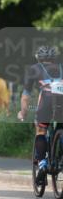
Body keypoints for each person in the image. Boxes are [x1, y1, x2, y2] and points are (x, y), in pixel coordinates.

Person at [18, 45, 63, 184]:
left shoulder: (34, 69)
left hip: (46, 102)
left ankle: (43, 164)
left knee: (41, 130)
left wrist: (23, 113)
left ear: (38, 58)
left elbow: (26, 95)